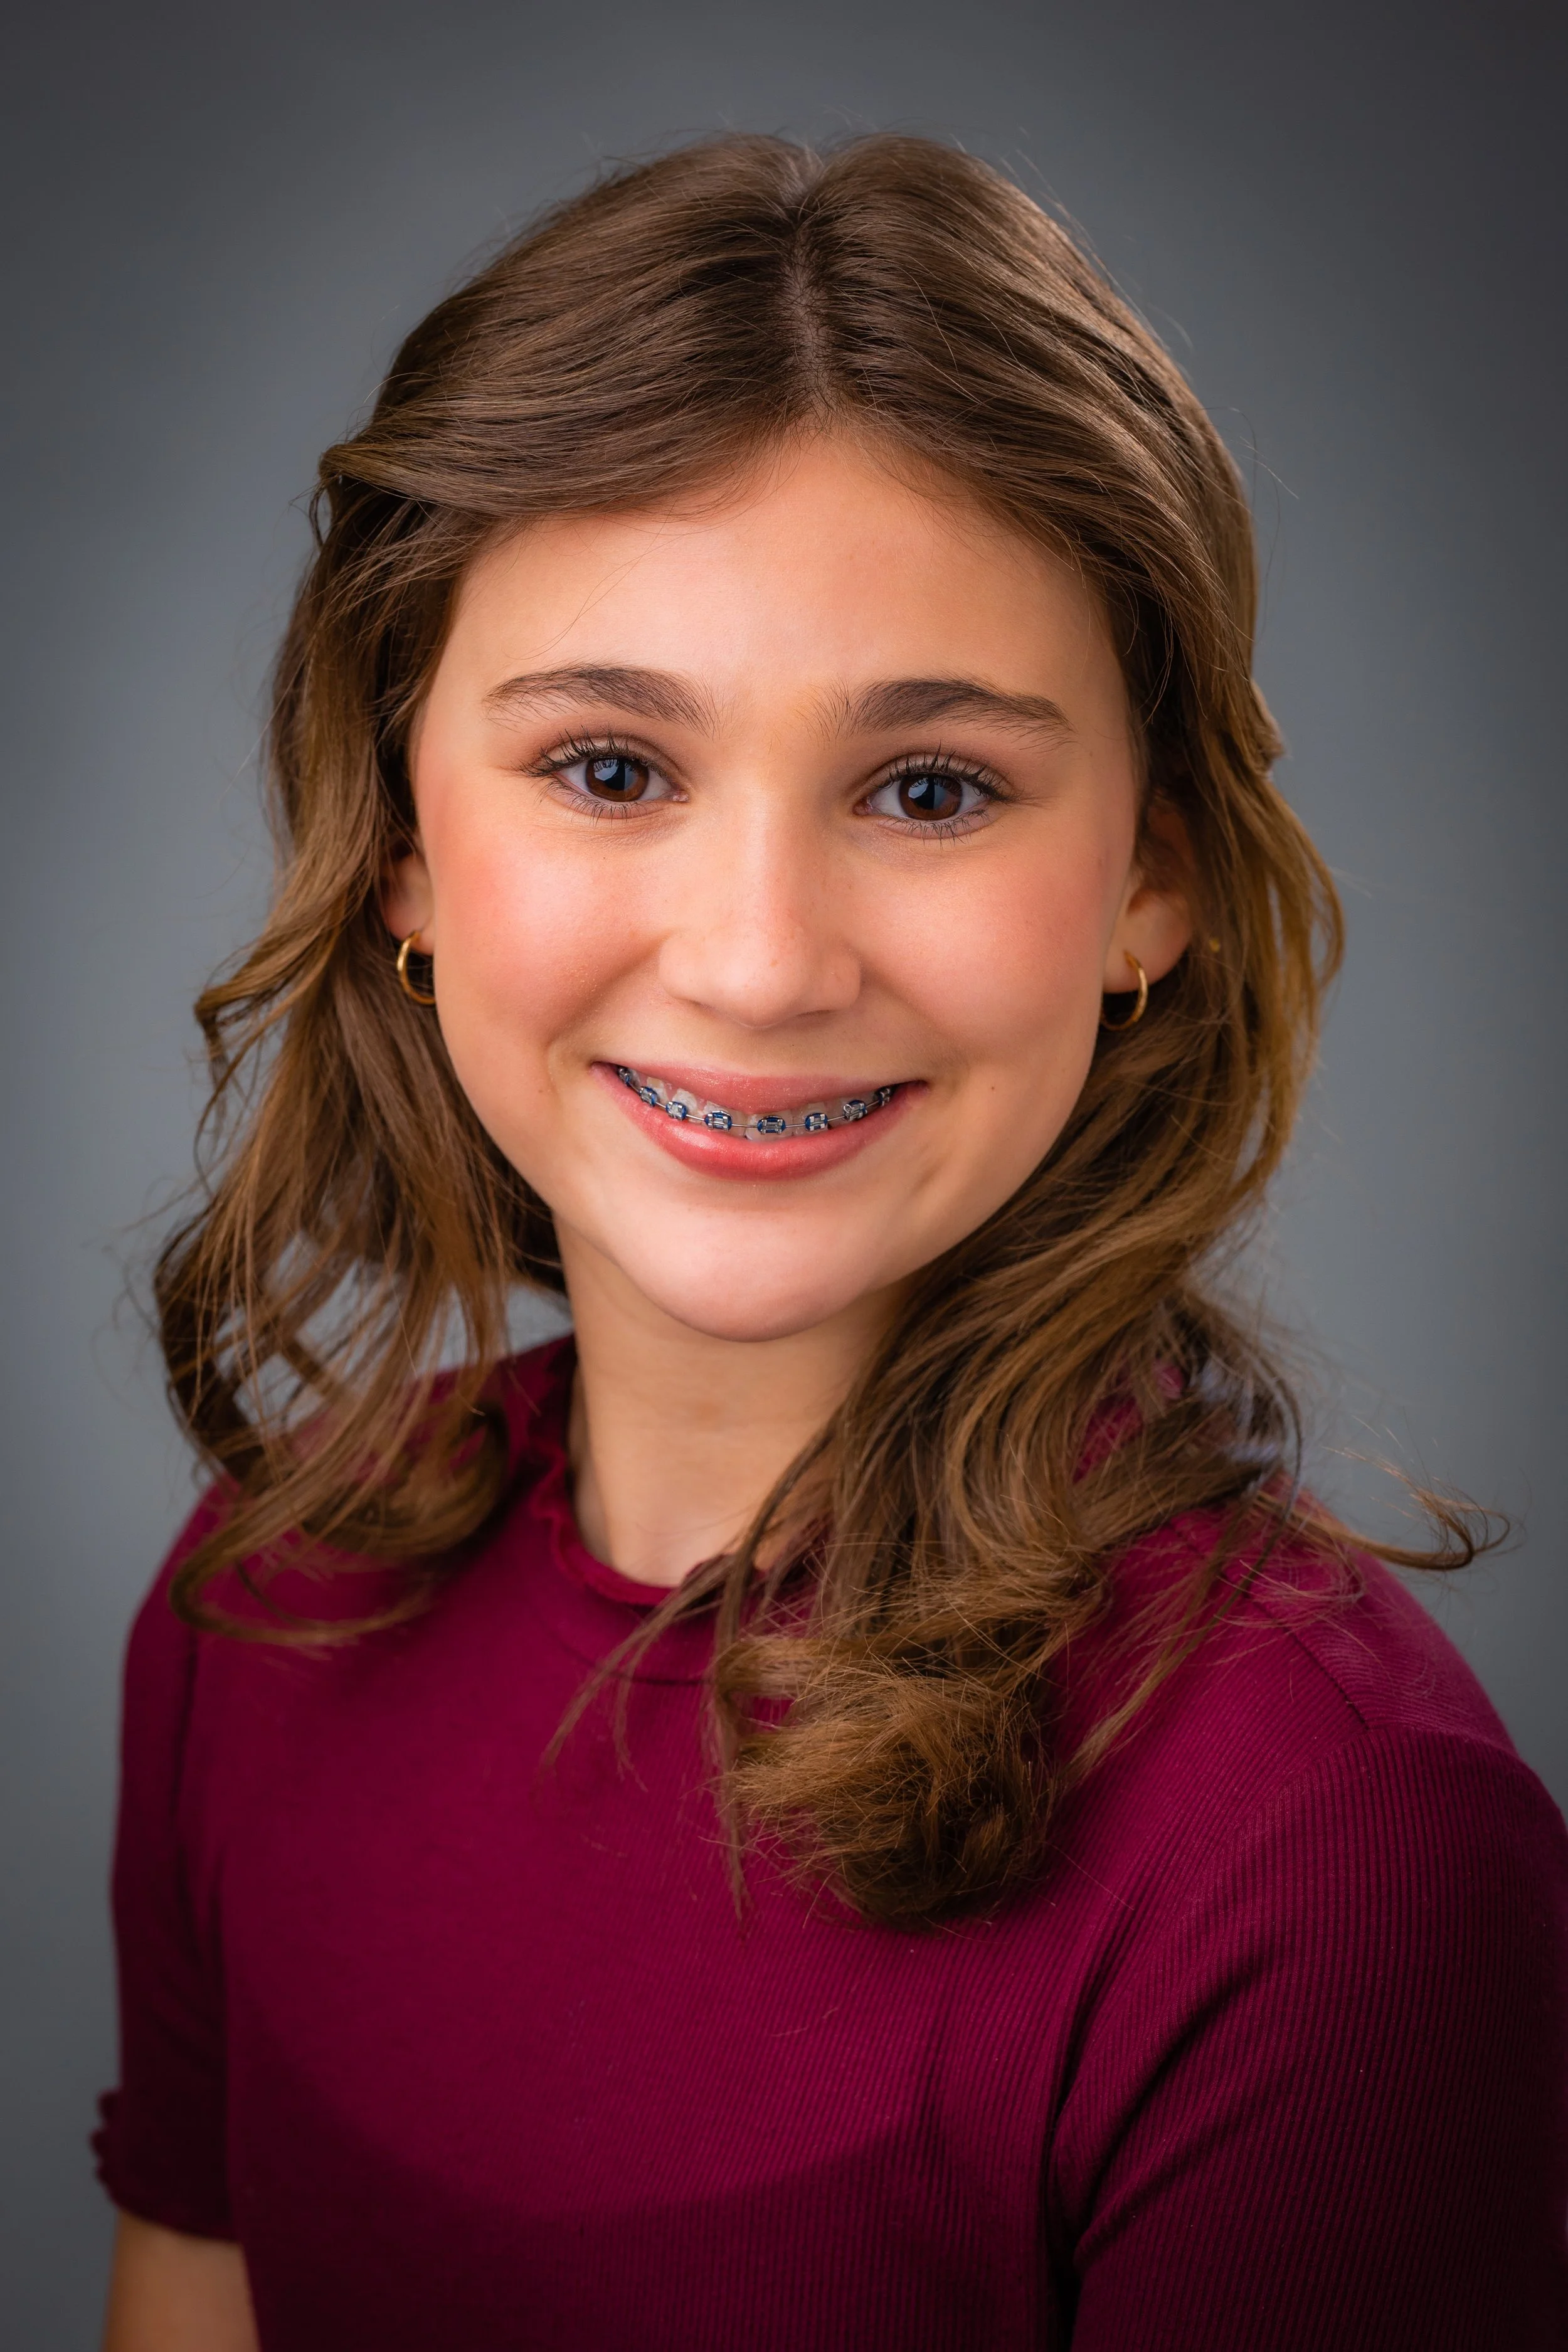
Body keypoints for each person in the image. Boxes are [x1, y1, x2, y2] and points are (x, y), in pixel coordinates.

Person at [95, 134, 1567, 2351]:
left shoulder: (1340, 1852)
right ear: (399, 845)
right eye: (610, 768)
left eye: (929, 788)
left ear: (1148, 883)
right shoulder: (265, 1601)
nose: (760, 960)